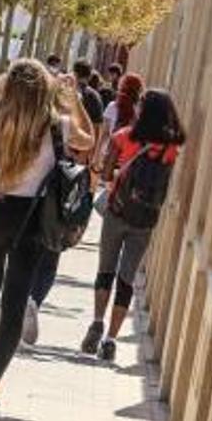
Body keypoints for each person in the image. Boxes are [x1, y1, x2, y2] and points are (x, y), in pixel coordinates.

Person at [0, 59, 92, 409]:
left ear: (7, 87)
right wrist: (73, 100)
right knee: (15, 301)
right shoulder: (57, 125)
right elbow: (88, 141)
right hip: (32, 217)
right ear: (44, 90)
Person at [82, 89, 186, 361]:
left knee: (105, 270)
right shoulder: (171, 148)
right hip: (145, 220)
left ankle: (96, 321)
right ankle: (111, 339)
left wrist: (116, 175)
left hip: (117, 213)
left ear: (144, 109)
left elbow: (105, 174)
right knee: (126, 279)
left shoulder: (123, 136)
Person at [22, 61, 105, 344]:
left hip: (23, 195)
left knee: (23, 256)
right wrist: (77, 103)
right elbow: (89, 142)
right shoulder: (66, 123)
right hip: (56, 196)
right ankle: (33, 301)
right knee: (49, 256)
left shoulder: (29, 116)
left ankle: (19, 302)